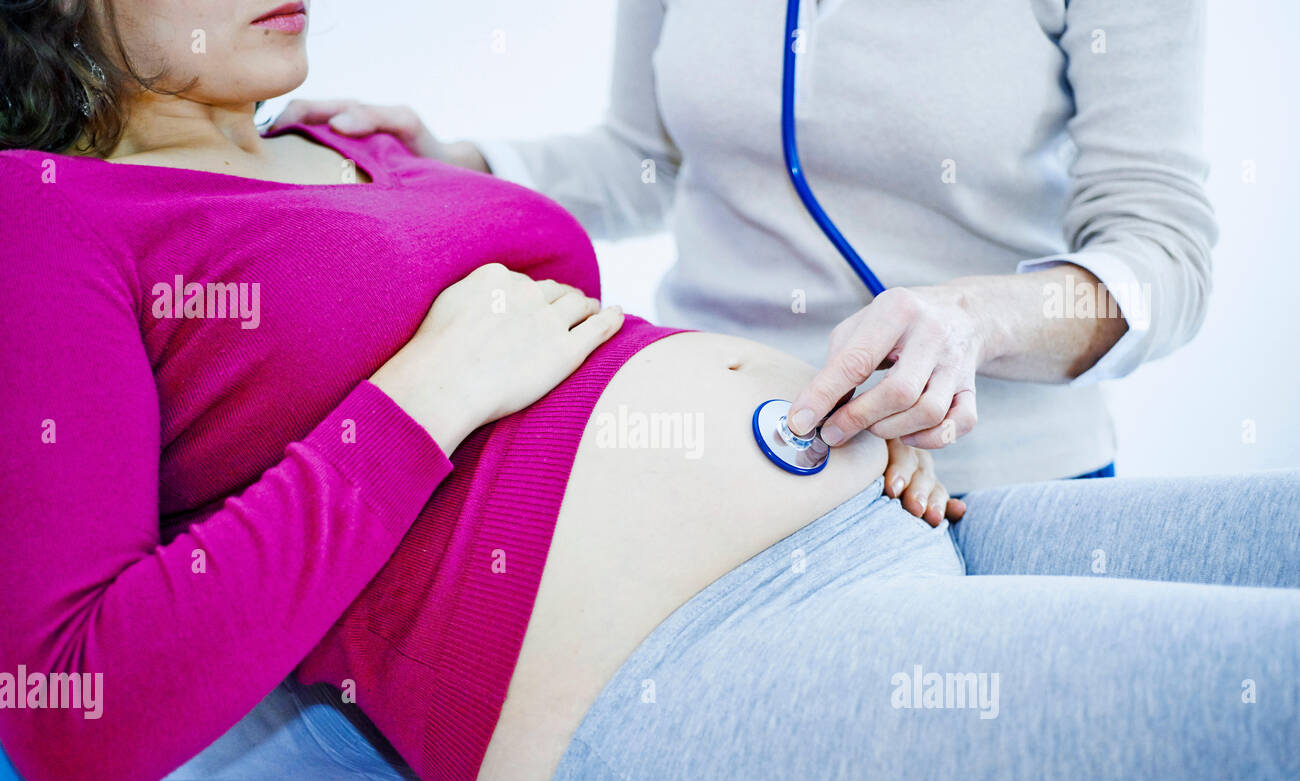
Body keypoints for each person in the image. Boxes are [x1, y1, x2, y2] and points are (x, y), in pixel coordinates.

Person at [1, 0, 1293, 781]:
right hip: (690, 673)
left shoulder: (342, 146)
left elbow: (1158, 245)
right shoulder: (49, 214)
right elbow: (80, 709)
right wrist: (421, 400)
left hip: (905, 509)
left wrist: (951, 333)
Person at [273, 0, 1219, 492]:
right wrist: (457, 161)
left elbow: (1161, 249)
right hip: (726, 462)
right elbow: (645, 158)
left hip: (1007, 483)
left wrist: (976, 318)